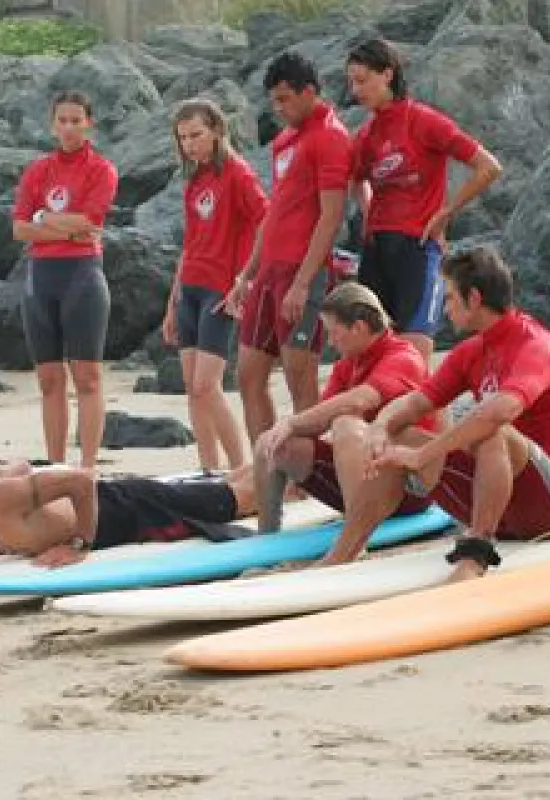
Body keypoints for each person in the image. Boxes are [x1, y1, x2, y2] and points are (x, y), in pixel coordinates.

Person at [345, 246, 550, 578]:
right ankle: (344, 551)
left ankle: (476, 553)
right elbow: (416, 402)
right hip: (502, 501)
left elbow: (498, 414)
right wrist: (380, 427)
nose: (444, 308)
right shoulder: (471, 351)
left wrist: (423, 456)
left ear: (473, 298)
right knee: (398, 434)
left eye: (448, 298)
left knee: (492, 428)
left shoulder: (536, 344)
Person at [223, 52, 353, 446]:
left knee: (301, 379)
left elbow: (331, 217)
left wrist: (302, 283)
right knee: (248, 375)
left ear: (309, 92)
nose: (278, 109)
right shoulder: (284, 141)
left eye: (285, 99)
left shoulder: (330, 136)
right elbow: (275, 212)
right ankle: (268, 468)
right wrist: (247, 274)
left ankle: (308, 478)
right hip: (267, 273)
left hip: (303, 273)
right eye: (273, 101)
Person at [345, 38, 502, 364]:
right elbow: (355, 179)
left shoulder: (423, 120)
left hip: (417, 246)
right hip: (376, 251)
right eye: (351, 82)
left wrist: (447, 212)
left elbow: (488, 167)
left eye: (362, 80)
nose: (356, 91)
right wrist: (367, 213)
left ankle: (425, 415)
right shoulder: (366, 134)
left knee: (413, 354)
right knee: (369, 355)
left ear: (387, 74)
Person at [0, 433, 259, 569]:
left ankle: (284, 459)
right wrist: (13, 541)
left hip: (129, 509)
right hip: (119, 505)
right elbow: (21, 466)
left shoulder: (1, 499)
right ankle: (262, 460)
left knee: (238, 499)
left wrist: (77, 544)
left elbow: (80, 483)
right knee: (221, 488)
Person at [251, 281, 435, 534]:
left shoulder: (404, 357)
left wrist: (292, 422)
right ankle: (266, 538)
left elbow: (361, 400)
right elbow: (319, 422)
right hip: (369, 479)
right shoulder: (346, 366)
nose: (329, 342)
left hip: (412, 483)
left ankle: (355, 536)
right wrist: (284, 432)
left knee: (346, 425)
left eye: (333, 332)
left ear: (358, 327)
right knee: (271, 443)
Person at [12, 90, 119, 470]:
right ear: (52, 124)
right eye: (63, 120)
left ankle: (87, 466)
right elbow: (20, 229)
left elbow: (89, 224)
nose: (70, 127)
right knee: (48, 380)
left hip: (82, 275)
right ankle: (56, 466)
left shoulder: (100, 169)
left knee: (87, 377)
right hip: (41, 278)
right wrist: (58, 226)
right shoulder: (38, 170)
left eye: (77, 120)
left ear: (88, 123)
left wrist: (44, 219)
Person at [161, 98, 268, 472]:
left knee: (208, 386)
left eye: (196, 135)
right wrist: (172, 301)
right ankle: (209, 470)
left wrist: (246, 278)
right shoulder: (194, 178)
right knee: (193, 389)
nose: (189, 144)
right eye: (183, 138)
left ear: (217, 131)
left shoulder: (238, 174)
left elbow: (265, 220)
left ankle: (240, 469)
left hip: (220, 291)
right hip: (189, 287)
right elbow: (190, 243)